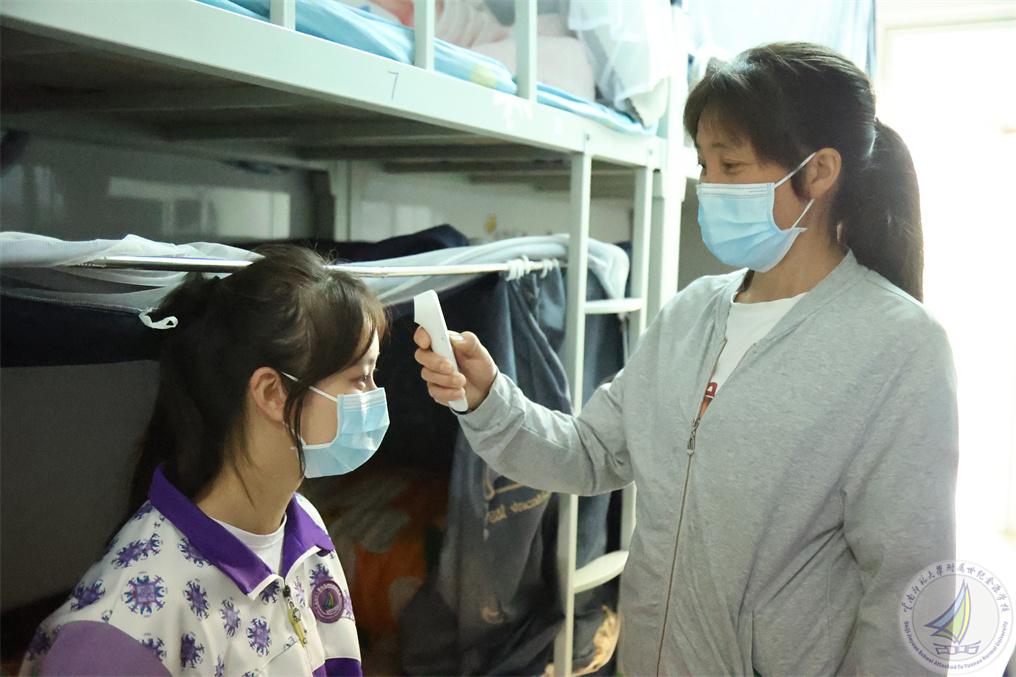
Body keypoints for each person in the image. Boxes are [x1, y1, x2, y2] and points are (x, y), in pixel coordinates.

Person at [414, 43, 958, 675]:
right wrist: (488, 398)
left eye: (732, 164)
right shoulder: (693, 313)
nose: (710, 187)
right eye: (704, 163)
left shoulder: (898, 345)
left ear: (819, 172)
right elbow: (590, 452)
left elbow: (912, 585)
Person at [21, 246, 388, 676]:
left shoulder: (304, 528)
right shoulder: (123, 631)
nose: (374, 396)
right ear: (272, 393)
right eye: (360, 377)